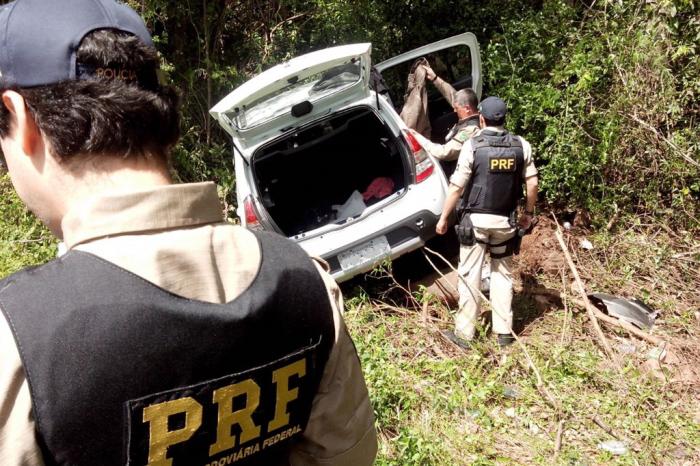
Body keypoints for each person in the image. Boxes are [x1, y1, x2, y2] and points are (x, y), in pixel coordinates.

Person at [0, 1, 377, 465]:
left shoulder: (16, 337)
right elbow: (346, 454)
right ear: (162, 122)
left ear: (18, 117)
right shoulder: (306, 283)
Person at [435, 96, 538, 348]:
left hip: (477, 223)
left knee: (470, 275)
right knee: (502, 274)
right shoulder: (521, 145)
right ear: (504, 118)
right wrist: (528, 212)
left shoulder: (474, 145)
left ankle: (464, 335)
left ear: (481, 118)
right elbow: (532, 182)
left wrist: (443, 218)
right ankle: (503, 333)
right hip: (506, 222)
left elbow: (456, 187)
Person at [409, 65, 481, 162]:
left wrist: (417, 137)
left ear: (467, 109)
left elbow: (444, 153)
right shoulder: (474, 111)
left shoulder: (470, 131)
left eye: (457, 108)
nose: (454, 110)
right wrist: (435, 78)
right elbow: (452, 94)